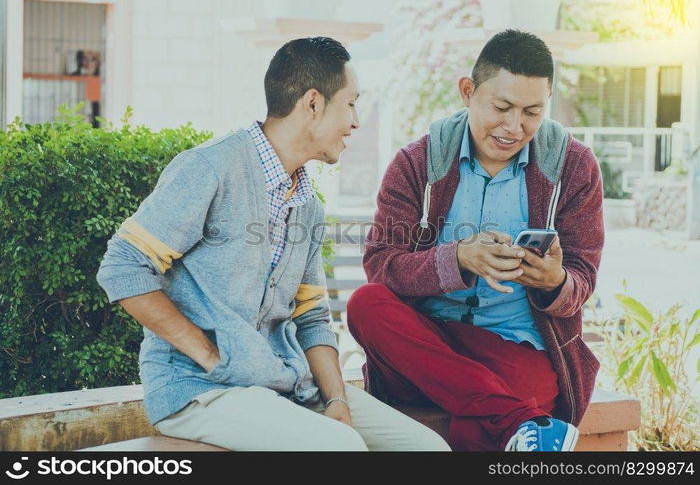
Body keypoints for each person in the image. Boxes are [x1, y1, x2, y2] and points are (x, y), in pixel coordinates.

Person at [96, 37, 449, 451]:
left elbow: (312, 314)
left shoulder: (308, 206)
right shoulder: (211, 168)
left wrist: (336, 400)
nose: (356, 121)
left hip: (289, 385)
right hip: (200, 389)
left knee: (427, 450)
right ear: (313, 103)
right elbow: (122, 265)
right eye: (351, 104)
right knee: (339, 449)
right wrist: (211, 356)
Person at [347, 29, 604, 451]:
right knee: (365, 304)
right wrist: (459, 259)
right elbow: (381, 265)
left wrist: (553, 281)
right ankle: (521, 422)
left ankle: (507, 416)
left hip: (514, 348)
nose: (513, 127)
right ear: (468, 91)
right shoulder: (417, 163)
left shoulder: (573, 168)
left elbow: (582, 280)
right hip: (426, 342)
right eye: (501, 107)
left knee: (486, 412)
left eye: (532, 112)